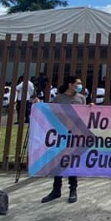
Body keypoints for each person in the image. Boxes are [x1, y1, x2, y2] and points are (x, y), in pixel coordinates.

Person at [42, 76, 87, 204]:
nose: (80, 86)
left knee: (72, 161)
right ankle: (56, 189)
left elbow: (84, 115)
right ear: (70, 84)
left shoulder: (81, 98)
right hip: (61, 134)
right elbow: (51, 113)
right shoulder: (59, 98)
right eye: (78, 83)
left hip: (75, 134)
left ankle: (73, 189)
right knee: (59, 161)